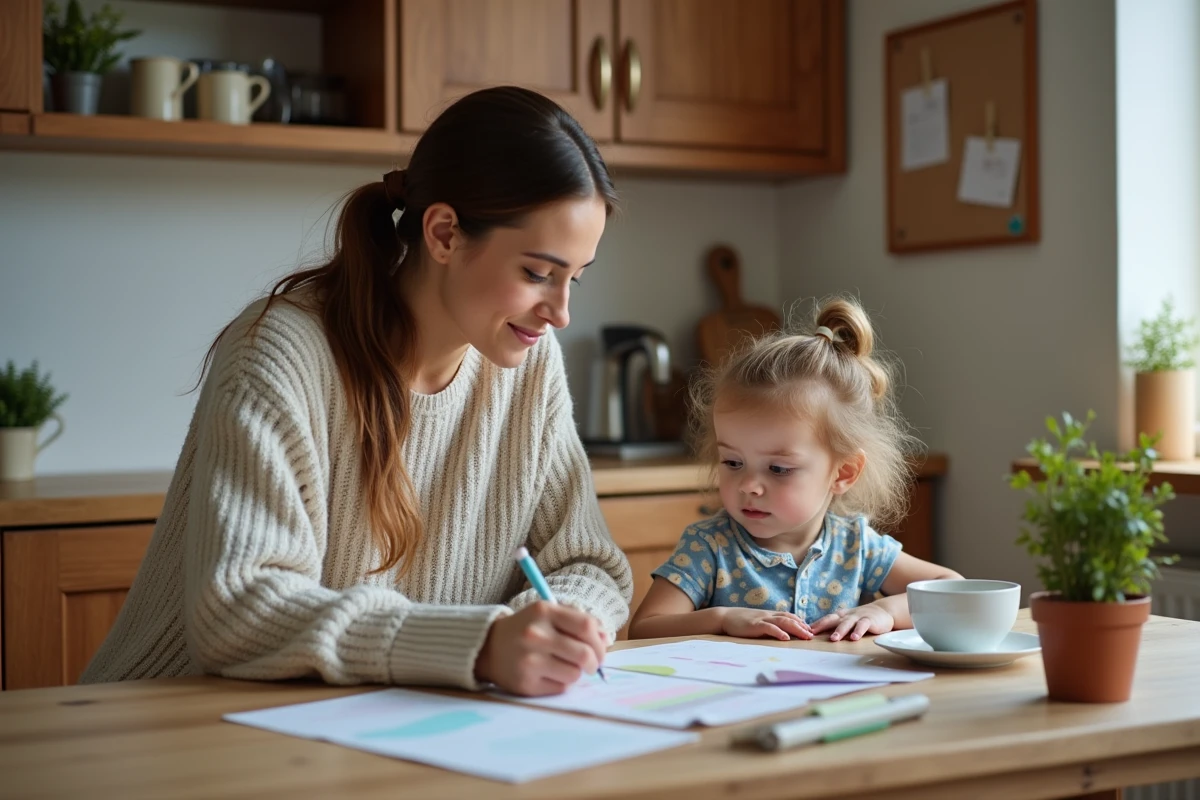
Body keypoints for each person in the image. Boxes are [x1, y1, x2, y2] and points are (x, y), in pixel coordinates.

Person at [81, 86, 633, 698]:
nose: (560, 313)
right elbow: (238, 610)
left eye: (574, 279)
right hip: (173, 723)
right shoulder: (282, 351)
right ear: (445, 233)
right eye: (537, 273)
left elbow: (589, 566)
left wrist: (562, 627)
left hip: (369, 722)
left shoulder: (530, 364)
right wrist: (479, 647)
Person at [628, 297, 961, 642]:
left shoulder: (856, 546)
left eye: (778, 468)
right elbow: (645, 627)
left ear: (843, 473)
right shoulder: (710, 547)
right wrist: (724, 618)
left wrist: (885, 611)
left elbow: (950, 587)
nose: (749, 486)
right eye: (732, 462)